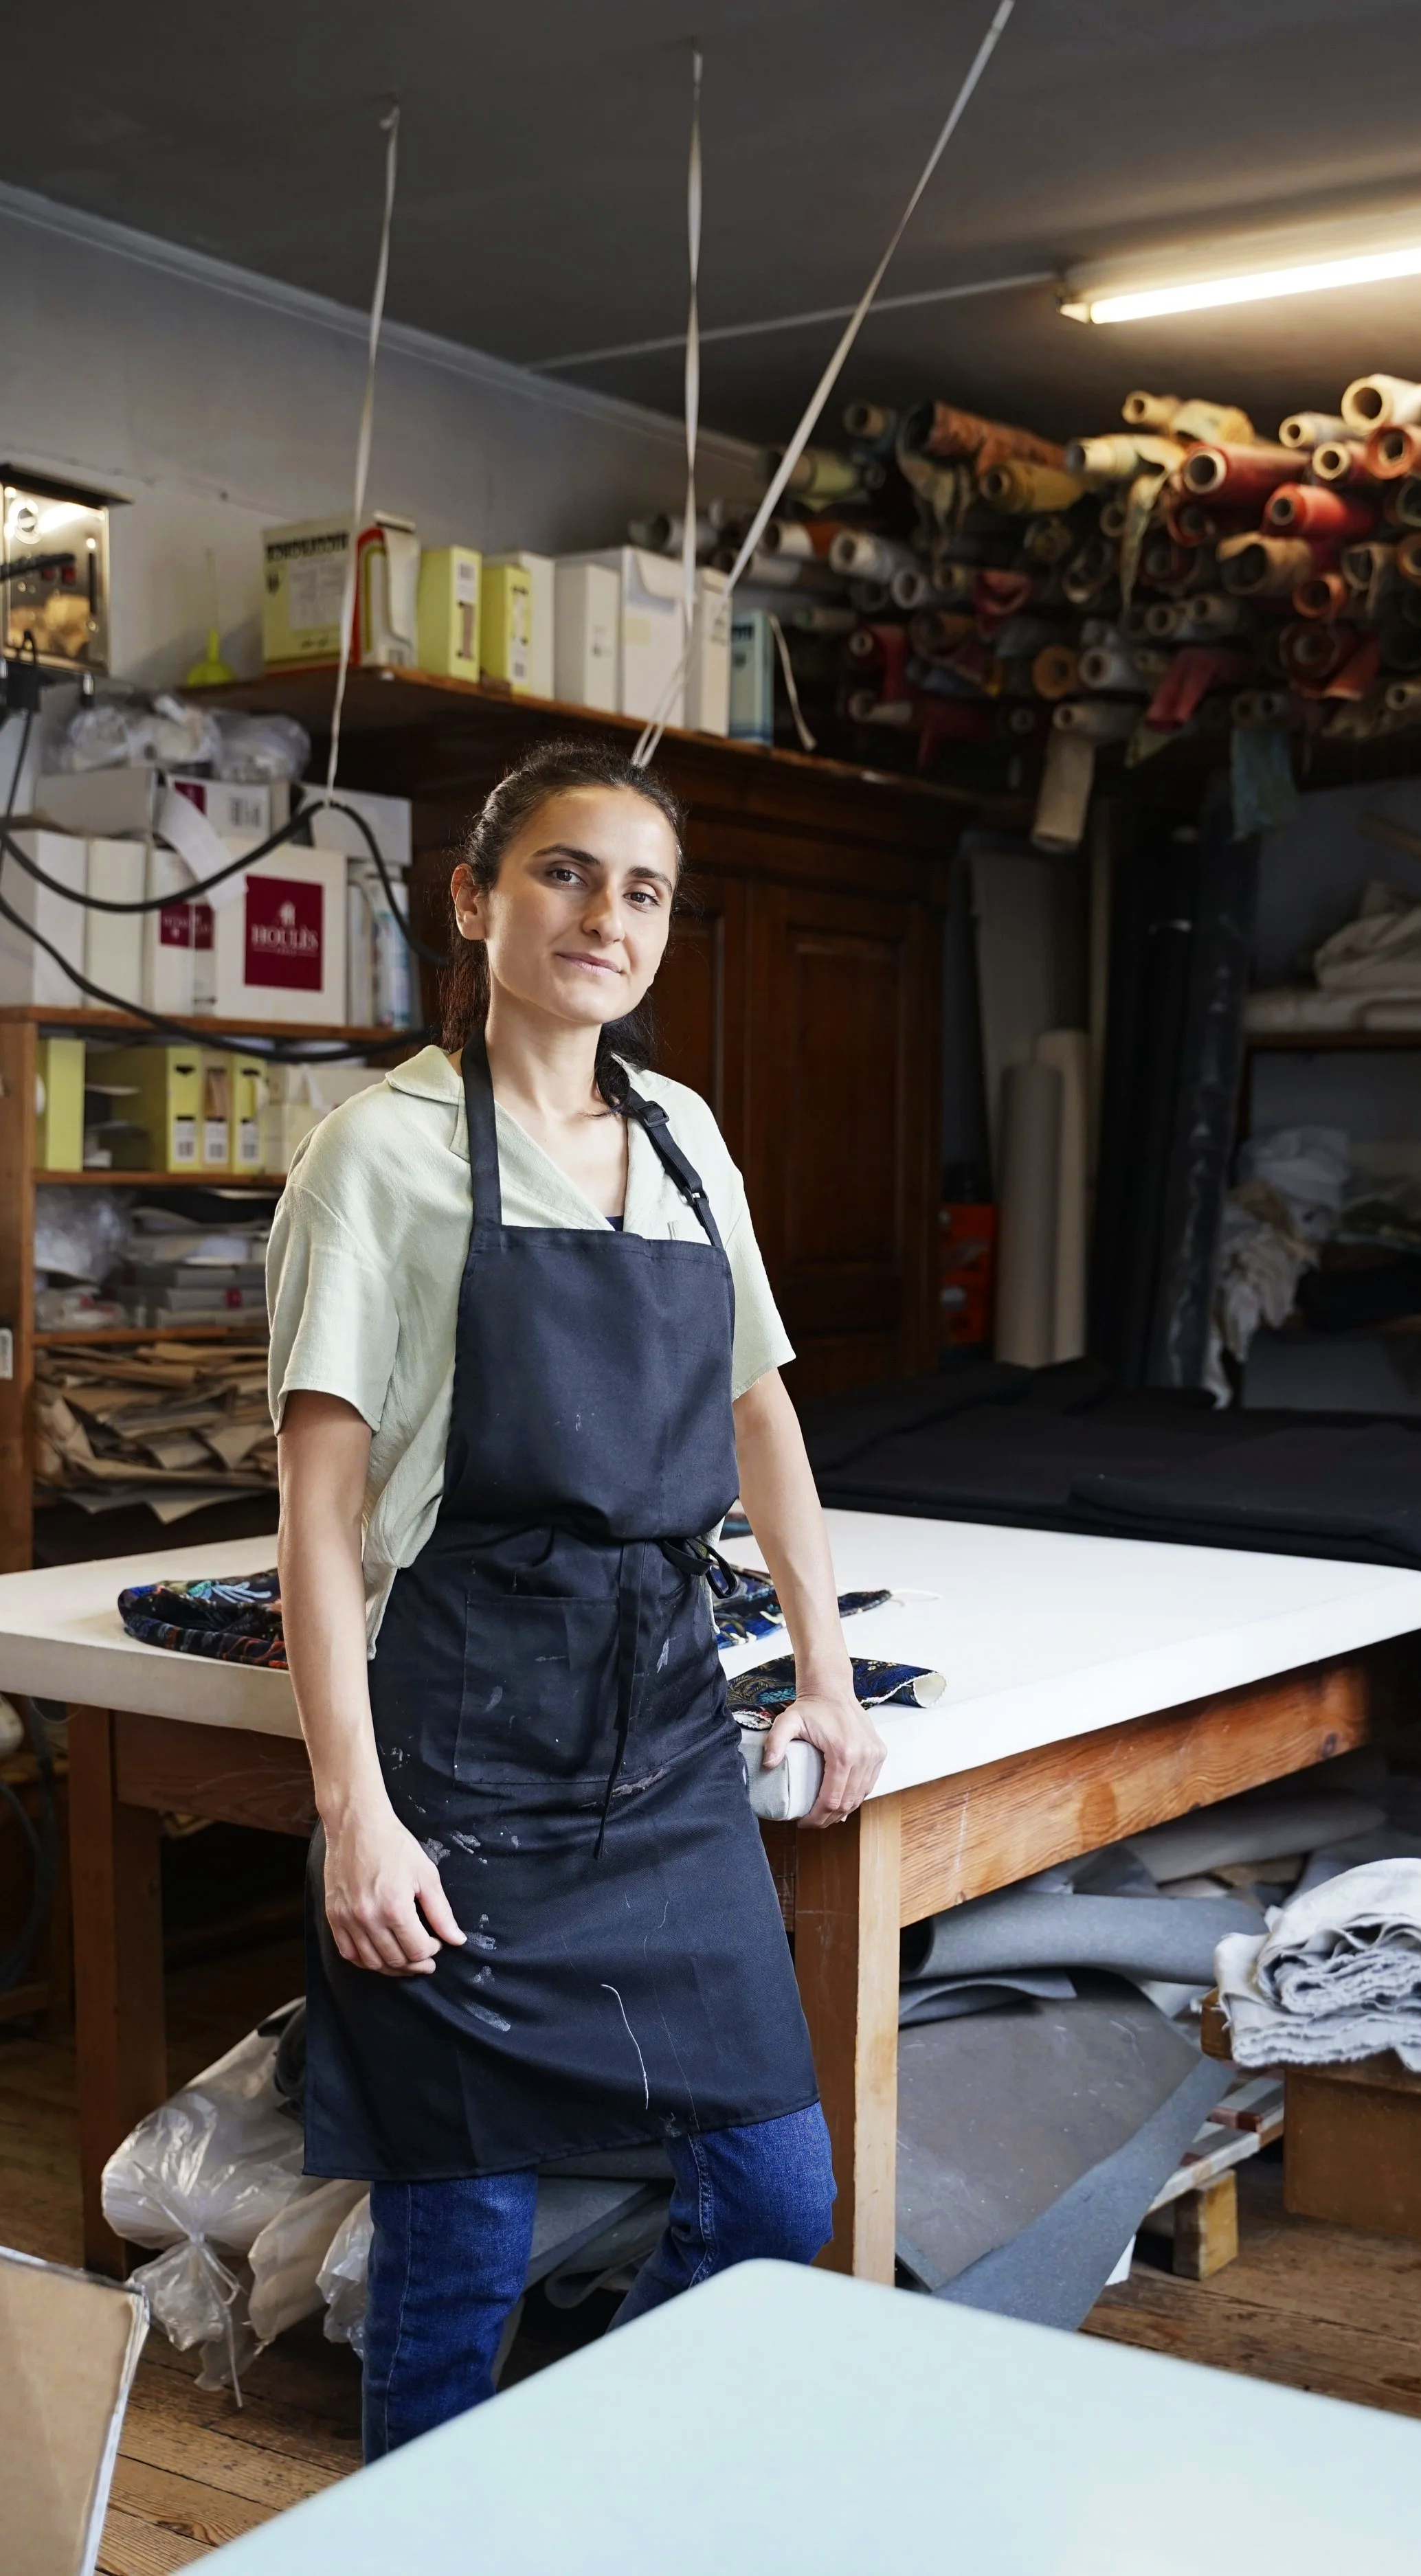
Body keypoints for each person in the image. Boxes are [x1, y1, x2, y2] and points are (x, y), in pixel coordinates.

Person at [268, 738, 885, 2459]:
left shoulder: (685, 1142)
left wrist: (824, 1675)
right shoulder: (373, 1155)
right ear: (473, 901)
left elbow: (760, 1417)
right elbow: (316, 1514)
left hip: (662, 1724)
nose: (605, 916)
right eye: (563, 872)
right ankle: (420, 2538)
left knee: (776, 2192)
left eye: (643, 890)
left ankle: (565, 2475)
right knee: (461, 2238)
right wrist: (356, 1817)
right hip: (459, 1731)